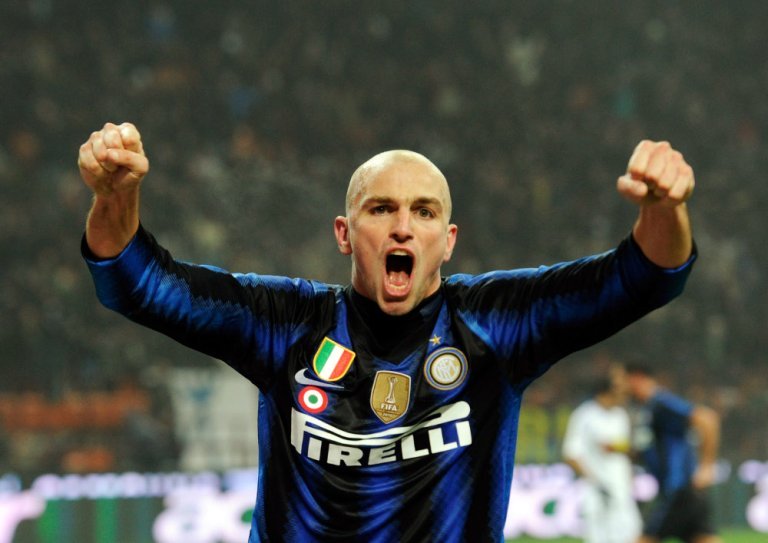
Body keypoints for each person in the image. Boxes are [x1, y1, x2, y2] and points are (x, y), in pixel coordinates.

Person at [77, 122, 696, 542]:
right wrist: (113, 198)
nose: (403, 227)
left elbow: (644, 277)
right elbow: (137, 283)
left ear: (447, 242)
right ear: (345, 233)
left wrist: (665, 210)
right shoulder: (288, 324)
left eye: (424, 212)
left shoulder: (493, 323)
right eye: (381, 209)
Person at [625, 365, 722, 543]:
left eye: (622, 380)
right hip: (686, 492)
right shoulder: (646, 408)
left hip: (677, 489)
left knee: (645, 539)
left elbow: (707, 419)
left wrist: (707, 465)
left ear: (636, 378)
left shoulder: (661, 402)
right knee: (702, 537)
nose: (620, 387)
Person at [562, 365, 642, 543]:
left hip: (622, 493)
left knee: (633, 536)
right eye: (620, 388)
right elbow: (571, 454)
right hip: (598, 495)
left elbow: (624, 453)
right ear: (606, 390)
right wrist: (595, 482)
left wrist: (629, 482)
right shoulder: (585, 415)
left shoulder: (620, 415)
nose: (625, 393)